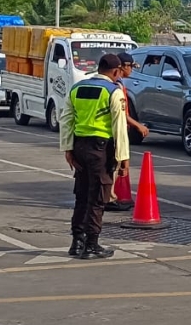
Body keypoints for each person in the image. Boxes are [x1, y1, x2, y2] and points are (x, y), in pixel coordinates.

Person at [58, 53, 129, 259]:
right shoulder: (113, 92)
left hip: (79, 146)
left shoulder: (77, 88)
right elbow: (119, 127)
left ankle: (76, 242)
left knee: (81, 196)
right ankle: (91, 245)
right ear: (115, 71)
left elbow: (66, 120)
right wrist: (123, 158)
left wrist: (68, 149)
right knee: (98, 198)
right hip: (101, 149)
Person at [105, 53, 149, 212]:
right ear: (121, 67)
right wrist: (138, 126)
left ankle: (110, 196)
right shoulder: (115, 86)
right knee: (115, 165)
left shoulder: (119, 84)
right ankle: (108, 199)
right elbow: (121, 114)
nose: (131, 69)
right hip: (114, 131)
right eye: (130, 66)